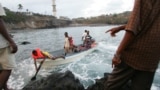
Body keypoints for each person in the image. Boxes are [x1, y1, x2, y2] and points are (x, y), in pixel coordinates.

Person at [105, 0, 160, 90]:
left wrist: (117, 54)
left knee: (110, 86)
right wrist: (121, 27)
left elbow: (133, 27)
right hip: (152, 58)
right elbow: (148, 22)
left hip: (134, 55)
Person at [0, 3, 18, 90]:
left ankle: (5, 87)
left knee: (1, 67)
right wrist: (11, 41)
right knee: (8, 67)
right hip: (1, 44)